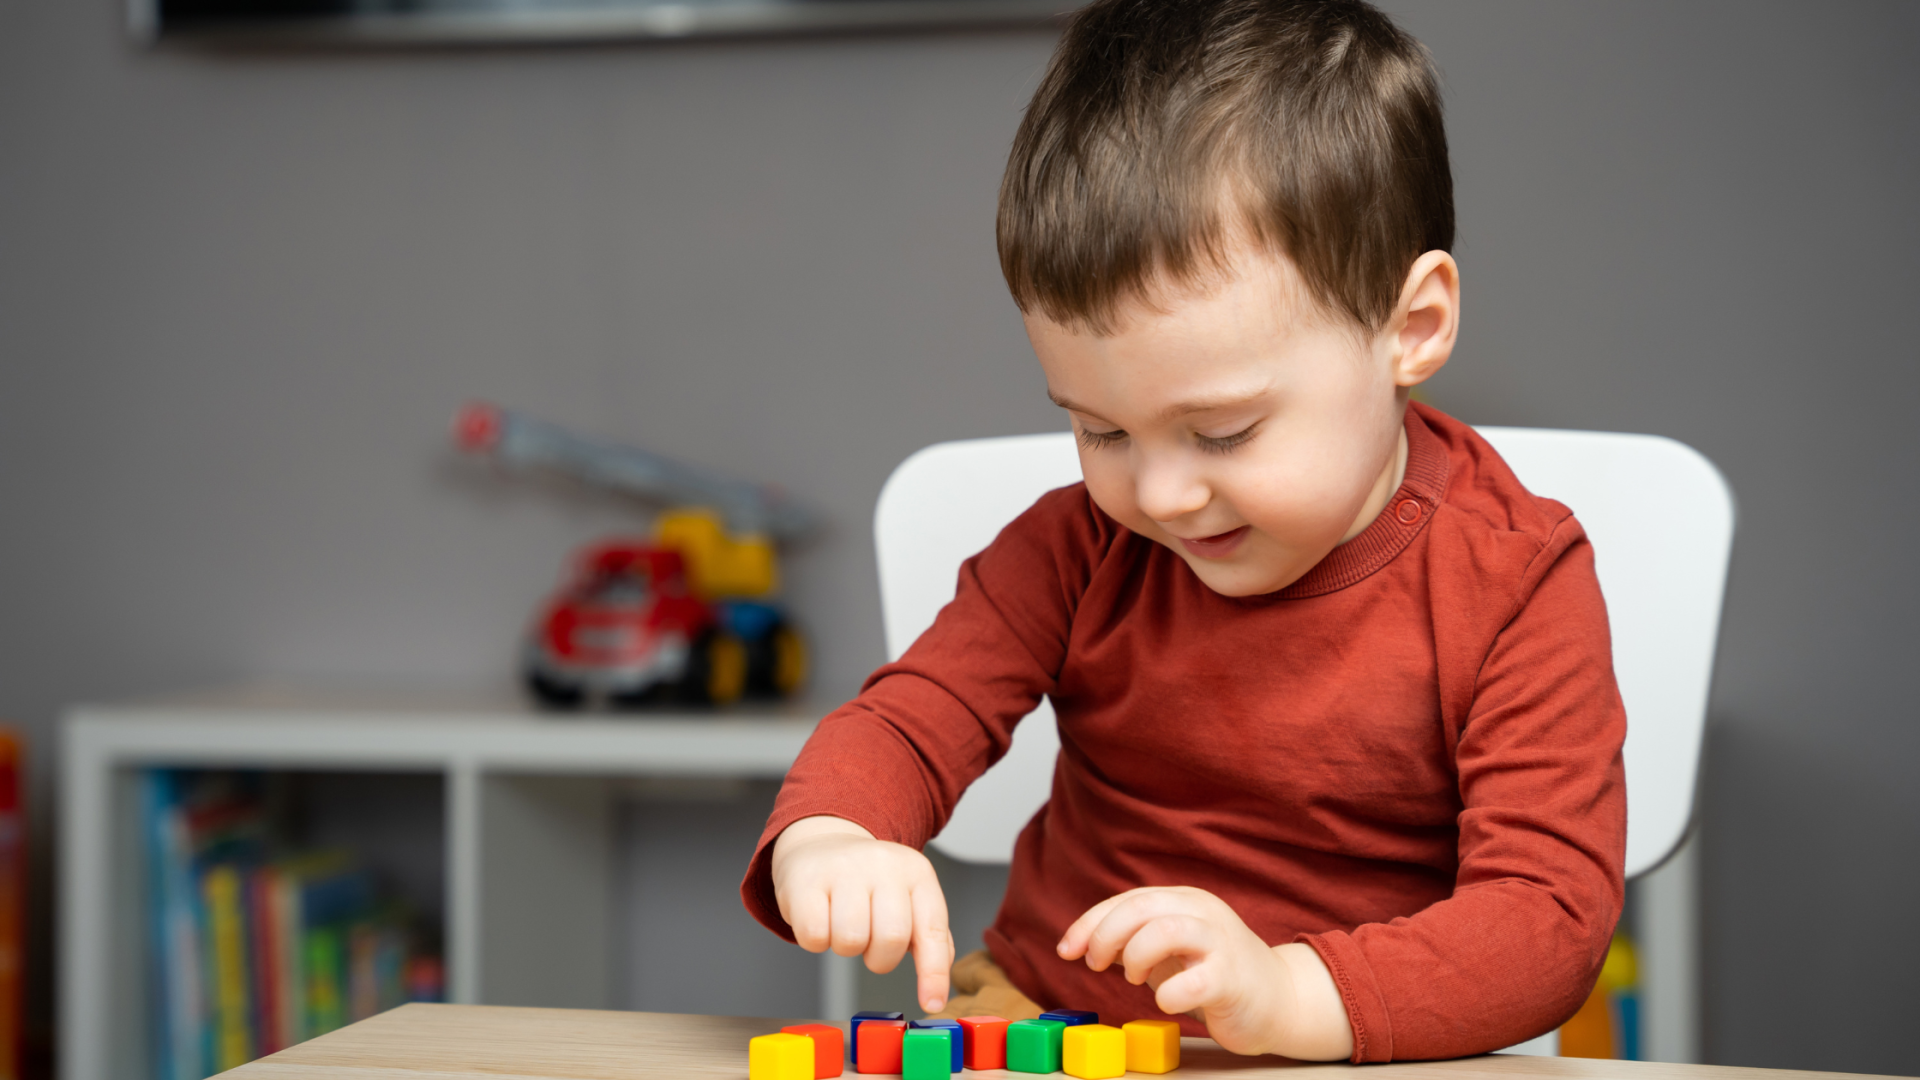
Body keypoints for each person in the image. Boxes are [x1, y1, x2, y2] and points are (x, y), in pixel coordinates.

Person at [739, 0, 1625, 1062]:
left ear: (1412, 327)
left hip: (1364, 1046)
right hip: (1055, 1022)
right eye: (1099, 429)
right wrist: (830, 832)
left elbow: (1545, 922)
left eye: (1223, 430)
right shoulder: (1075, 551)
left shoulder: (1515, 578)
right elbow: (912, 716)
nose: (1157, 495)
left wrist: (1290, 993)